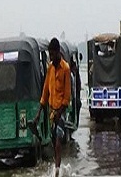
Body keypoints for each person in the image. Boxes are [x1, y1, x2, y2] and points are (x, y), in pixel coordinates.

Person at [33, 38, 71, 177]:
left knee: (58, 141)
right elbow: (45, 92)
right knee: (53, 140)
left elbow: (67, 97)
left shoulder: (65, 69)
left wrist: (60, 112)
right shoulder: (50, 68)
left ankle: (56, 172)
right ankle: (58, 166)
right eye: (49, 54)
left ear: (58, 52)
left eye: (53, 54)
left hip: (61, 112)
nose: (51, 56)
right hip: (51, 111)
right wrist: (38, 114)